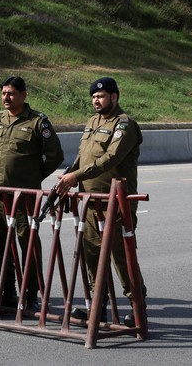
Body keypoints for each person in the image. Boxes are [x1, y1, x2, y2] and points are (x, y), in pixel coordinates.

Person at [54, 77, 147, 327]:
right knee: (92, 252)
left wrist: (77, 175)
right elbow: (82, 156)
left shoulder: (124, 124)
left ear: (114, 97)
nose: (96, 100)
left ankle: (138, 307)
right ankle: (98, 305)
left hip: (115, 202)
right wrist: (68, 174)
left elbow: (110, 158)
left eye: (102, 96)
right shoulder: (93, 122)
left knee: (120, 255)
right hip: (91, 200)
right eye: (94, 96)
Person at [0, 76, 64, 311]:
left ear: (23, 95)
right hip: (0, 195)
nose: (6, 98)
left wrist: (33, 177)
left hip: (25, 197)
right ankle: (7, 289)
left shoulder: (37, 122)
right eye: (3, 93)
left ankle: (31, 291)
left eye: (11, 93)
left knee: (27, 242)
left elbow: (55, 156)